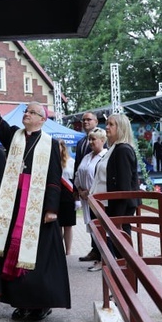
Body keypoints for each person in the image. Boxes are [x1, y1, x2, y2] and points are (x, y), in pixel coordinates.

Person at [0, 79, 70, 321]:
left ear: (42, 119)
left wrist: (52, 208)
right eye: (26, 111)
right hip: (14, 204)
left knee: (37, 258)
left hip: (37, 207)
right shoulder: (14, 136)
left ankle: (40, 304)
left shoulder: (50, 144)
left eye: (32, 112)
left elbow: (54, 178)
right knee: (13, 250)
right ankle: (20, 302)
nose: (26, 114)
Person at [88, 113, 140, 272]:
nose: (107, 127)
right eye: (107, 124)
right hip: (109, 207)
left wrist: (117, 218)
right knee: (115, 251)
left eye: (111, 124)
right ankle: (120, 290)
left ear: (121, 128)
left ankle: (128, 289)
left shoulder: (123, 150)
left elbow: (124, 187)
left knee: (121, 251)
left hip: (118, 208)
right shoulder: (115, 148)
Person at [73, 127, 108, 269]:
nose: (91, 142)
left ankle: (103, 259)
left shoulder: (105, 157)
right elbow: (78, 174)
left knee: (100, 229)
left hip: (98, 199)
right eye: (90, 139)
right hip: (86, 198)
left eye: (94, 139)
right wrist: (80, 189)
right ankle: (97, 254)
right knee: (92, 228)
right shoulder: (87, 156)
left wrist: (90, 191)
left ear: (102, 140)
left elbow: (102, 178)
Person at [74, 112, 101, 263]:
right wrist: (76, 189)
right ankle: (94, 249)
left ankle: (100, 251)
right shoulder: (81, 143)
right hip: (83, 191)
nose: (85, 122)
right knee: (89, 220)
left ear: (96, 121)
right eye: (83, 120)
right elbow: (77, 168)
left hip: (96, 191)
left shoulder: (103, 141)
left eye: (89, 119)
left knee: (98, 221)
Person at [57, 139, 76, 255]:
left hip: (68, 197)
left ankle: (68, 251)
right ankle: (58, 250)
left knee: (68, 225)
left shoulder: (71, 162)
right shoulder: (52, 162)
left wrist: (77, 198)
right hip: (56, 196)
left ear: (63, 147)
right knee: (57, 225)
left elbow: (75, 180)